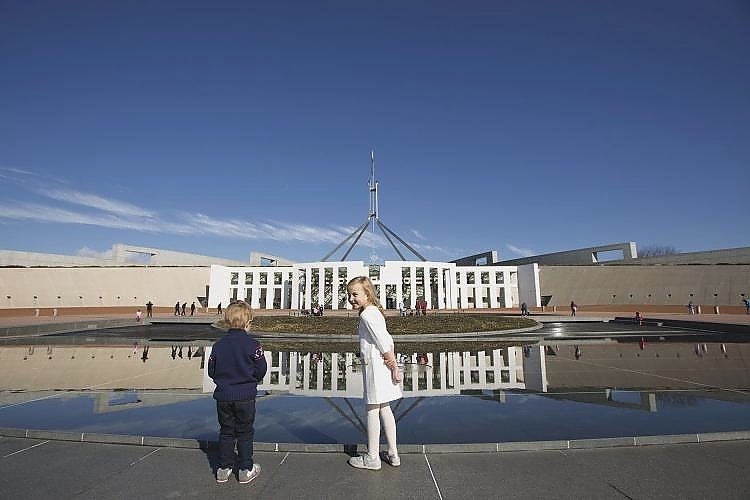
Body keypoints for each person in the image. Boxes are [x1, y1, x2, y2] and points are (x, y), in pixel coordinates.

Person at [346, 276, 402, 471]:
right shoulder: (375, 312)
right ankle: (393, 453)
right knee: (385, 409)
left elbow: (381, 340)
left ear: (367, 293)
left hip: (375, 368)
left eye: (355, 294)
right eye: (349, 295)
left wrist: (393, 364)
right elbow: (388, 339)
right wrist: (391, 360)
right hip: (381, 365)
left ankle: (372, 457)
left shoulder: (367, 315)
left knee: (371, 409)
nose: (351, 298)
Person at [208, 300, 267, 485]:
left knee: (226, 431)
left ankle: (223, 469)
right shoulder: (253, 345)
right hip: (245, 396)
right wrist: (251, 380)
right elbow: (261, 369)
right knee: (245, 432)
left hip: (223, 396)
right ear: (248, 322)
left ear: (226, 322)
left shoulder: (218, 345)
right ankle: (245, 469)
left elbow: (211, 370)